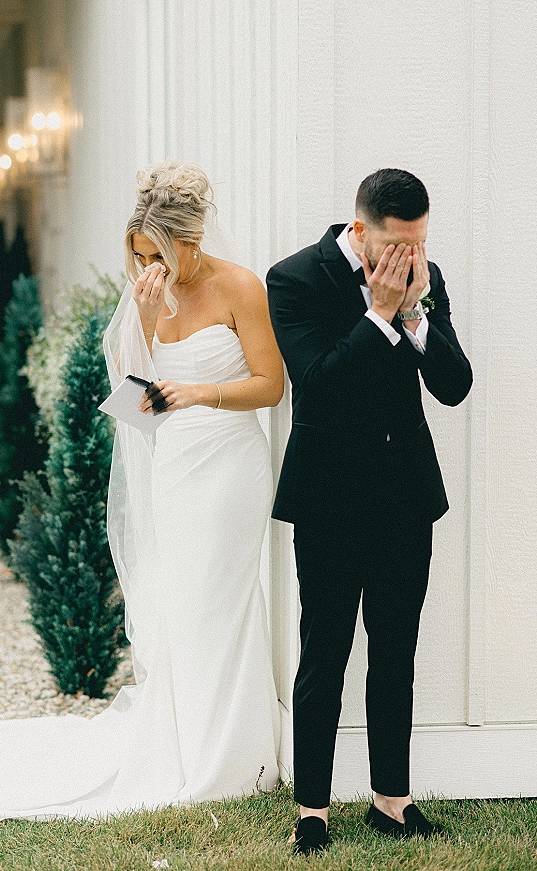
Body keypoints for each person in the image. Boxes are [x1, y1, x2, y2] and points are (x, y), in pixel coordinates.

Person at [0, 159, 283, 822]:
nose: (147, 269)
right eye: (136, 256)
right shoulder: (145, 295)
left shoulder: (239, 287)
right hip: (175, 470)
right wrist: (138, 321)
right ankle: (187, 740)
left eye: (156, 255)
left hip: (229, 466)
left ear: (190, 242)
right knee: (178, 605)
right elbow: (137, 407)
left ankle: (232, 751)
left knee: (218, 602)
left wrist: (201, 393)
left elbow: (271, 385)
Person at [266, 168, 473, 854]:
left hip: (405, 496)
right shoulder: (294, 278)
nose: (407, 260)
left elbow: (453, 385)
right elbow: (317, 390)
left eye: (417, 244)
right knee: (324, 651)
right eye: (395, 246)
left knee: (395, 650)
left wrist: (414, 312)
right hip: (327, 499)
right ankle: (312, 810)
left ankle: (392, 799)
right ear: (360, 232)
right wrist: (378, 313)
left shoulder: (424, 275)